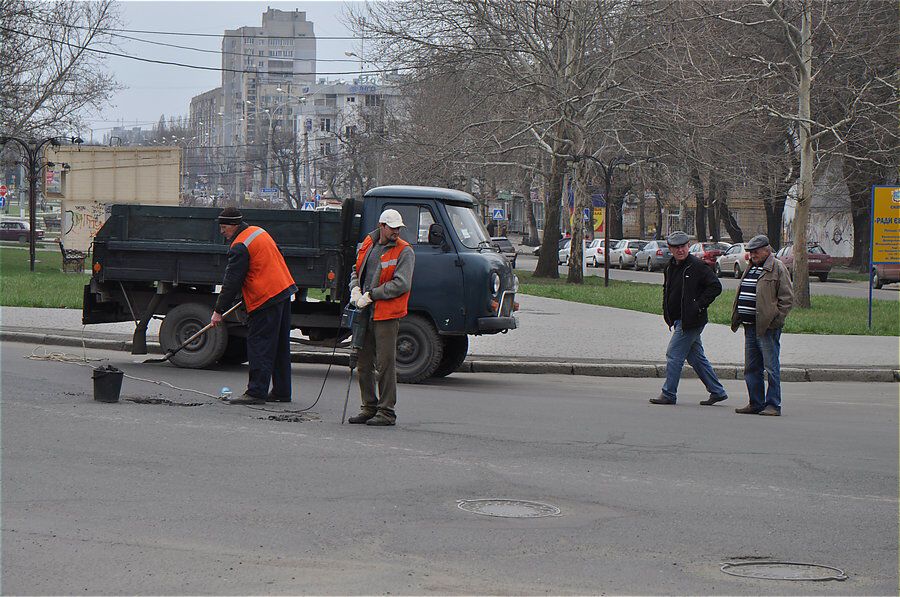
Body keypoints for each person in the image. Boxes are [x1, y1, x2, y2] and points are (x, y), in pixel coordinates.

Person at [211, 207, 297, 405]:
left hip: (265, 298)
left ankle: (256, 392)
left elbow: (231, 281)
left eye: (224, 227)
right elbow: (277, 255)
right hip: (283, 291)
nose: (222, 232)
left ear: (234, 225)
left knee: (260, 345)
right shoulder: (259, 232)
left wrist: (218, 311)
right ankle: (282, 391)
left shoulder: (240, 245)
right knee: (279, 345)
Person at [346, 209, 416, 427]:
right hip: (365, 311)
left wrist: (372, 295)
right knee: (363, 362)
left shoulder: (404, 251)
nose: (396, 231)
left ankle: (386, 411)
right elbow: (356, 269)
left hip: (386, 314)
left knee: (385, 364)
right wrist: (355, 288)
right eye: (392, 227)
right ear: (381, 226)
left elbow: (401, 283)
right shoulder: (368, 243)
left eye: (398, 228)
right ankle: (369, 407)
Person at [650, 230, 729, 406]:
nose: (680, 250)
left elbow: (715, 286)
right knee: (696, 358)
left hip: (691, 320)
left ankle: (668, 394)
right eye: (676, 247)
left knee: (673, 354)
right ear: (670, 248)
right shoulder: (670, 266)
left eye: (683, 246)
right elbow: (667, 289)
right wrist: (666, 310)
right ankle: (717, 391)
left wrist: (698, 305)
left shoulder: (697, 266)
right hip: (678, 319)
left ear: (688, 246)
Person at [730, 234, 794, 416]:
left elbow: (787, 298)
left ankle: (773, 405)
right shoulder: (750, 267)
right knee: (751, 368)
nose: (752, 255)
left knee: (771, 368)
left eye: (755, 252)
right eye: (750, 252)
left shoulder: (777, 268)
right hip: (750, 326)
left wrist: (776, 320)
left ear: (767, 250)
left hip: (767, 327)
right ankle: (756, 403)